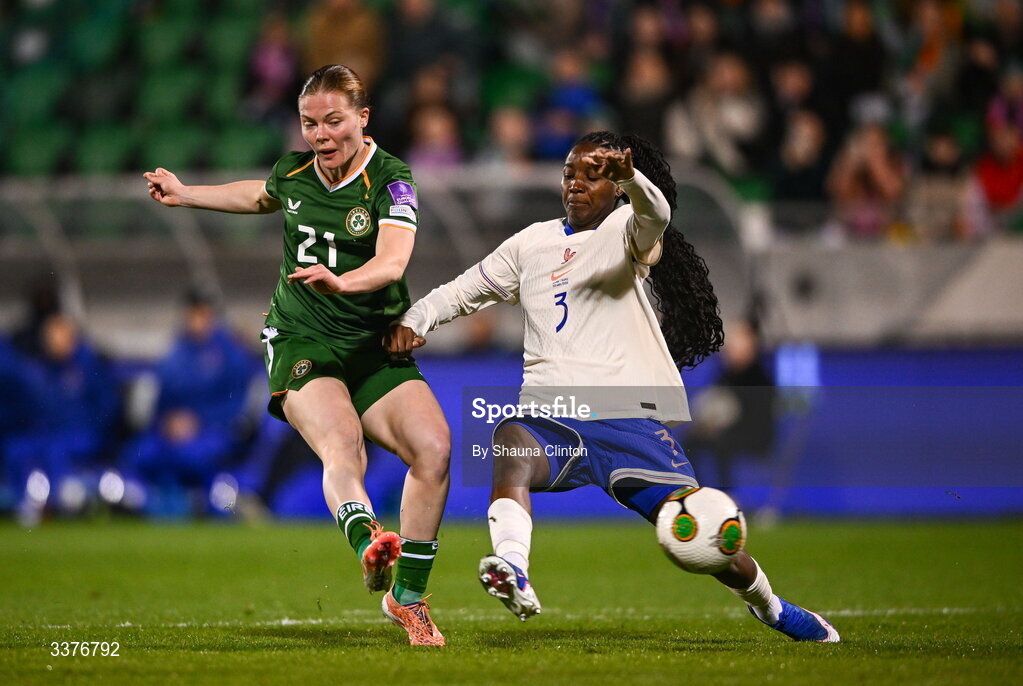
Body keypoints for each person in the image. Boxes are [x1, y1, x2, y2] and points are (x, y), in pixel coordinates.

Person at [386, 131, 840, 642]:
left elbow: (657, 216)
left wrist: (632, 179)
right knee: (510, 441)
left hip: (627, 419)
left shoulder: (627, 229)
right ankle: (512, 567)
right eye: (570, 173)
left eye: (593, 174)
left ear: (617, 187)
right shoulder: (529, 243)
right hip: (551, 412)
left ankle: (771, 607)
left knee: (699, 539)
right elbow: (463, 290)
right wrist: (418, 318)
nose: (577, 183)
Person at [143, 65, 450, 646]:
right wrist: (186, 195)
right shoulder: (295, 171)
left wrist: (344, 281)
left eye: (333, 121)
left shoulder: (391, 179)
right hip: (302, 338)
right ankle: (370, 544)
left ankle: (407, 600)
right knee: (342, 442)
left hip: (372, 346)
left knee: (433, 450)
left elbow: (392, 261)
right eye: (310, 123)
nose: (320, 134)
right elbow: (258, 195)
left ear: (362, 117)